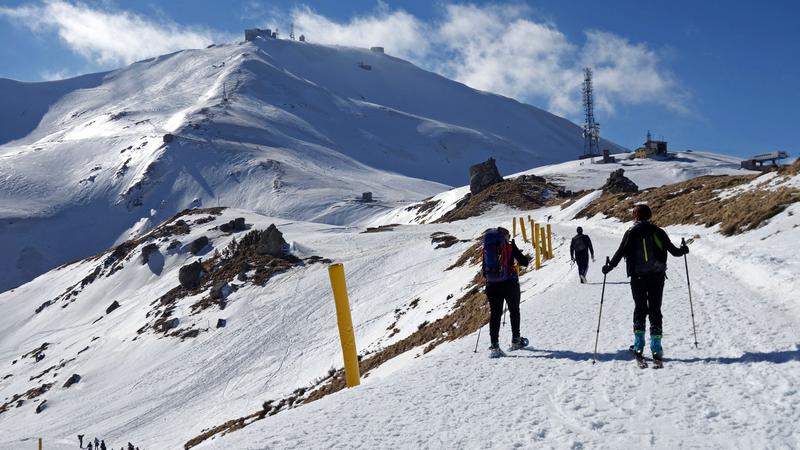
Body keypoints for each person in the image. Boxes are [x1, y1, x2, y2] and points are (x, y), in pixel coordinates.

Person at [602, 204, 688, 361]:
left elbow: (620, 252)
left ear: (635, 216)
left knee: (640, 309)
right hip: (657, 276)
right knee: (655, 310)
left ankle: (639, 345)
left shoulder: (631, 232)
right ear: (649, 216)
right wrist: (684, 249)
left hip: (638, 277)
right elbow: (675, 252)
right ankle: (656, 347)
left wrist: (609, 267)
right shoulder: (658, 231)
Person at [482, 227, 531, 358]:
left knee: (495, 314)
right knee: (514, 311)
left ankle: (495, 346)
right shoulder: (509, 246)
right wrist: (514, 249)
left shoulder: (488, 248)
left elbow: (483, 271)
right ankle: (516, 340)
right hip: (510, 283)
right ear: (505, 237)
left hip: (492, 285)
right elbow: (524, 262)